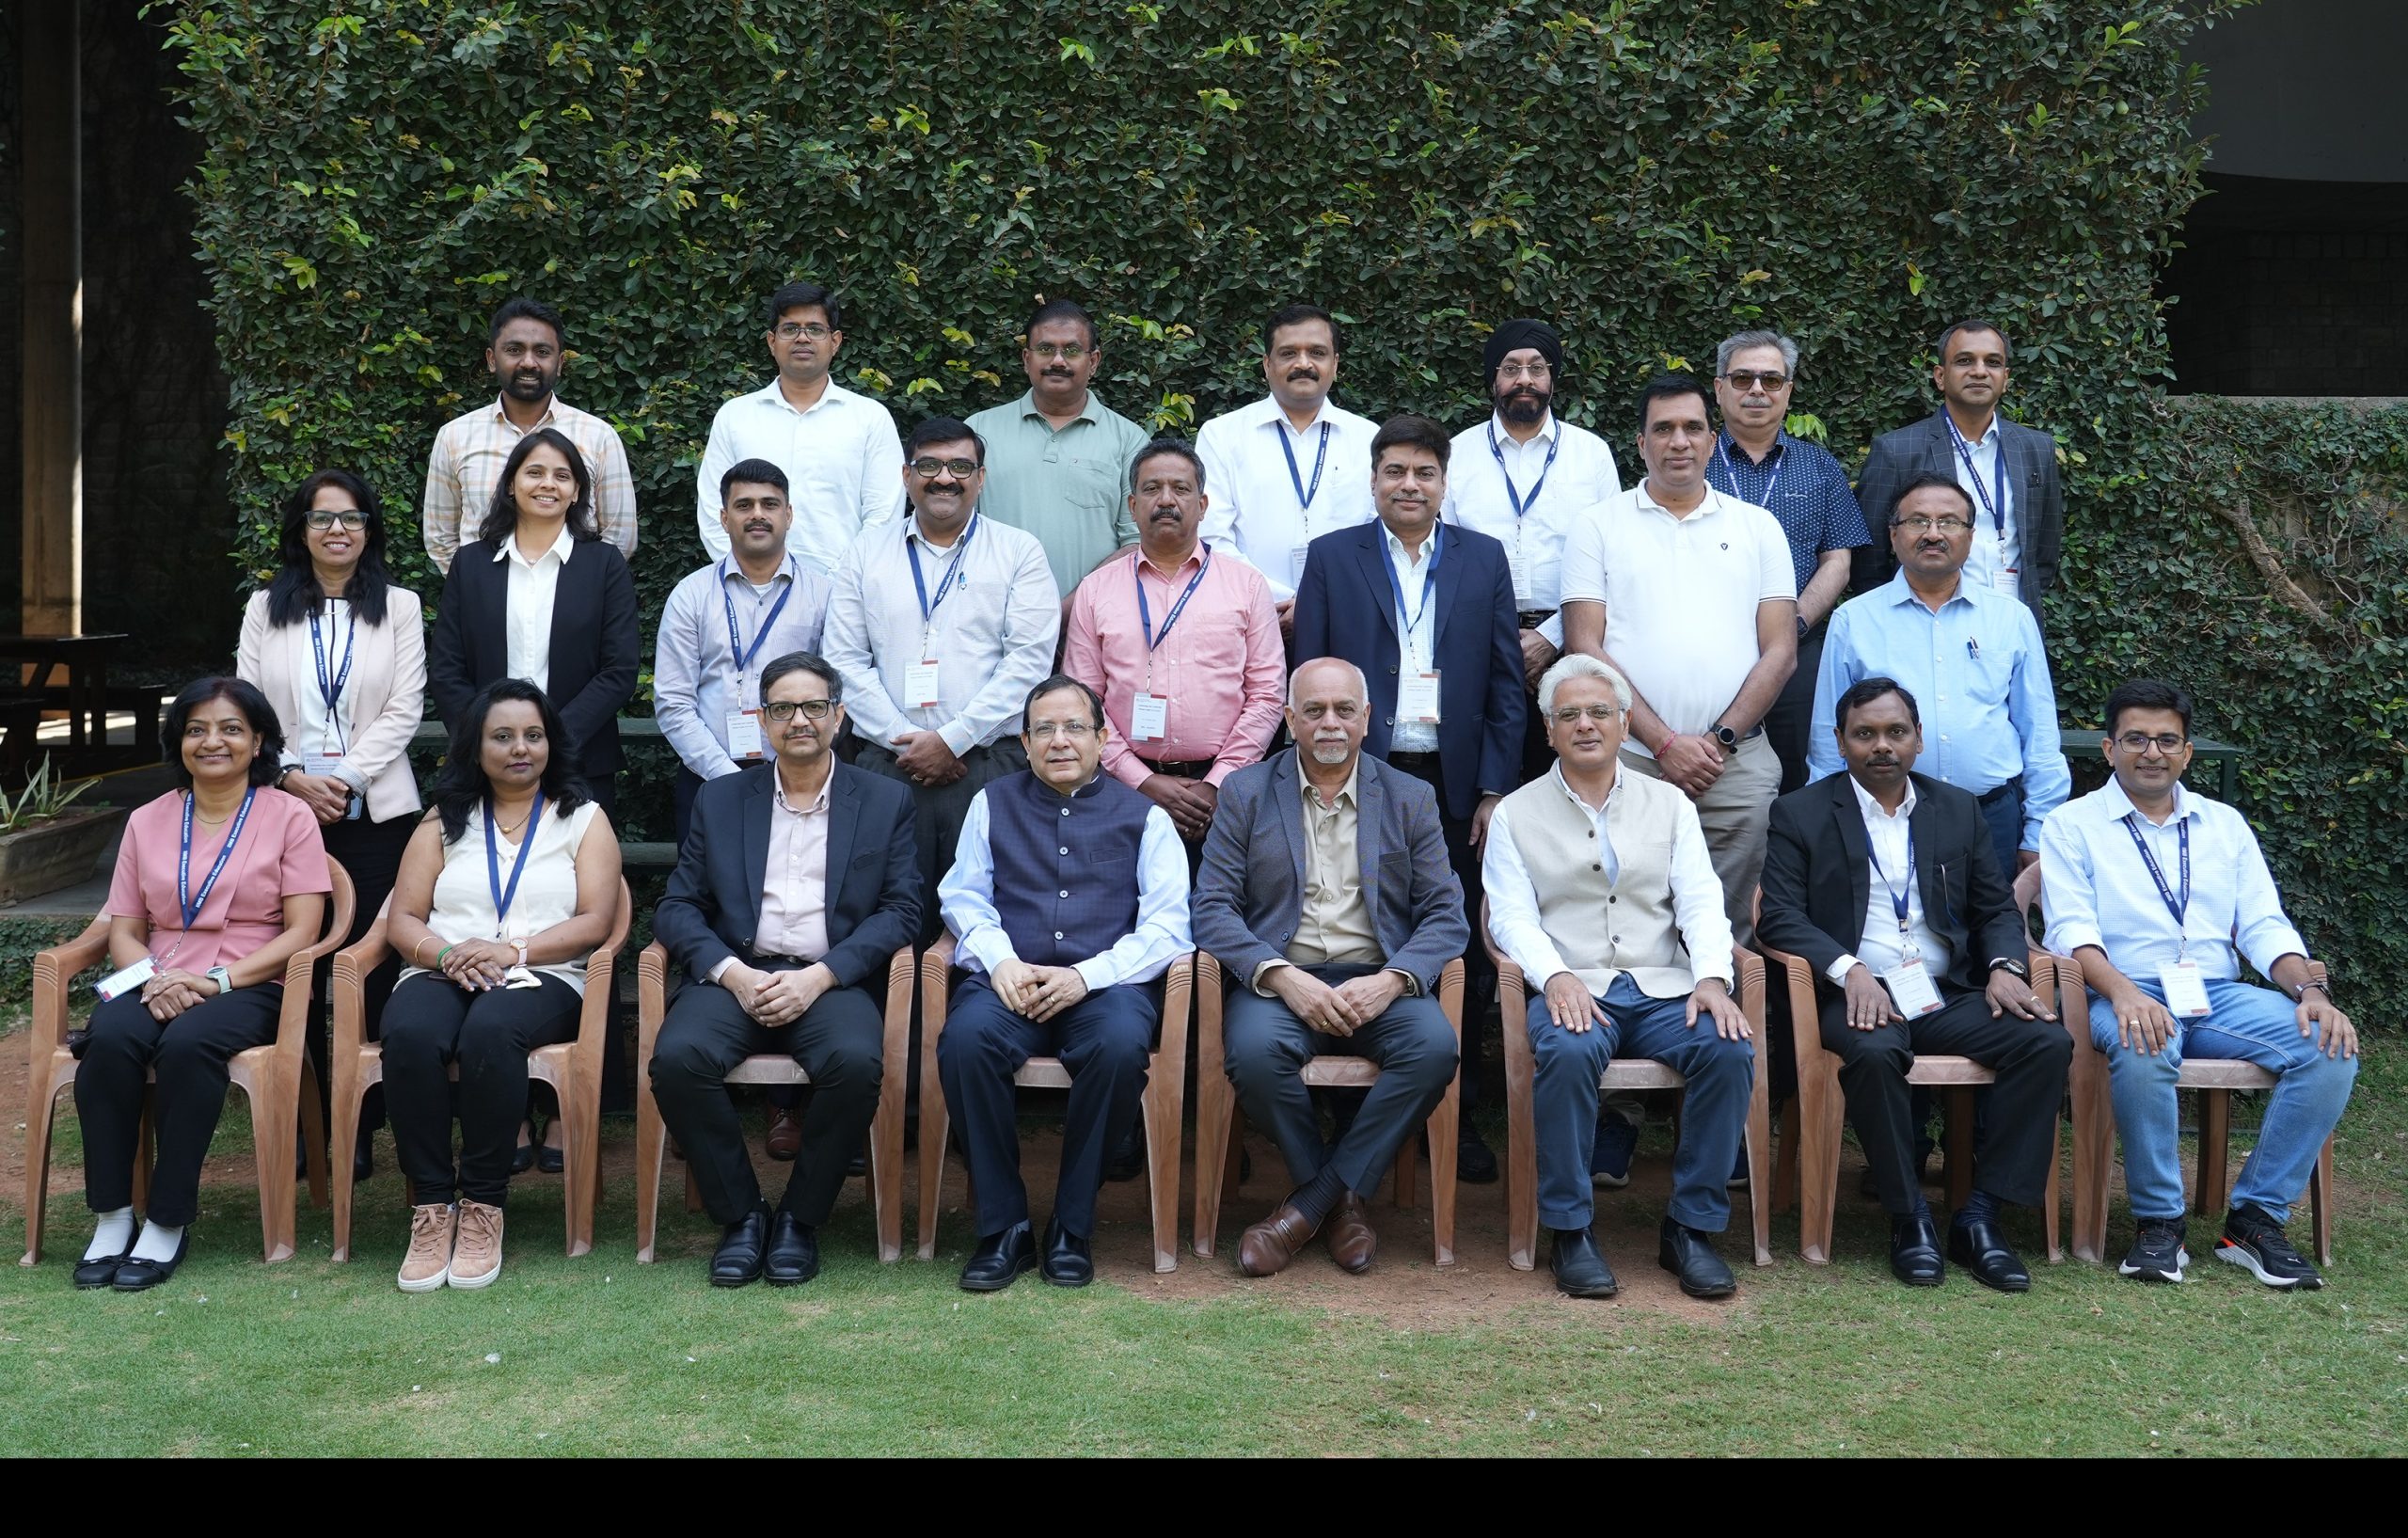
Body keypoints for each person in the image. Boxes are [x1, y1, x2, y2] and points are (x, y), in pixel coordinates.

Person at [2042, 679, 2357, 1290]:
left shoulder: (2225, 825)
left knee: (2328, 1045)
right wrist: (2128, 993)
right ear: (2109, 748)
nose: (2152, 751)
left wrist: (2310, 994)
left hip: (2214, 994)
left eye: (2167, 740)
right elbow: (2070, 929)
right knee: (2143, 1040)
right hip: (2118, 989)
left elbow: (2263, 925)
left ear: (2187, 752)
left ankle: (2257, 1219)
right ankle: (2160, 1223)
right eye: (2136, 738)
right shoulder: (2071, 824)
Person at [1758, 677, 2070, 1292]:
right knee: (1874, 1052)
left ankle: (1981, 1216)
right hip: (1856, 993)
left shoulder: (1957, 809)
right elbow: (1778, 915)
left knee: (2047, 1042)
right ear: (1841, 742)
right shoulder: (1801, 811)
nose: (1882, 745)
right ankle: (1910, 1218)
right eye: (1865, 733)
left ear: (1918, 740)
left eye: (1895, 731)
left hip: (1944, 989)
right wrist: (1848, 970)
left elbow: (1997, 910)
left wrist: (2006, 966)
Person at [1560, 372, 1796, 1186]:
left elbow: (1779, 649)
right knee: (1616, 926)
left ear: (1712, 436)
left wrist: (1718, 741)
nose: (1680, 442)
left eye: (1694, 428)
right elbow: (1586, 647)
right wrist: (1660, 741)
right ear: (1641, 442)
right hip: (1623, 762)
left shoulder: (1758, 525)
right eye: (1663, 429)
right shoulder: (1598, 525)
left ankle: (1715, 1119)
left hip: (1736, 765)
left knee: (1724, 936)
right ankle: (1615, 1123)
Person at [1292, 413, 1522, 1182]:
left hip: (1453, 786)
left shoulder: (1483, 559)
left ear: (1443, 482)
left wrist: (1494, 788)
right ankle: (1349, 1111)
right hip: (1361, 773)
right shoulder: (1333, 557)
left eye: (1424, 473)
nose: (1409, 485)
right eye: (1395, 472)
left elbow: (1502, 681)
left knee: (1456, 948)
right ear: (1374, 479)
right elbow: (1313, 666)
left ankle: (1450, 1114)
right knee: (1361, 922)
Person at [1483, 656, 1755, 1300]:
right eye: (1568, 714)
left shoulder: (1670, 804)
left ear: (1625, 723)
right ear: (1547, 728)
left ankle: (1690, 1228)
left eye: (1600, 711)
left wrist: (1713, 978)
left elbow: (1700, 900)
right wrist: (1552, 976)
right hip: (1572, 984)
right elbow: (1512, 918)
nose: (1585, 724)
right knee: (1569, 1049)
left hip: (1664, 985)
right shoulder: (1514, 814)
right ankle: (1571, 1231)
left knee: (1727, 1046)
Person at [648, 652, 921, 1288]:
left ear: (839, 715)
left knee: (855, 1063)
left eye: (814, 706)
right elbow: (678, 906)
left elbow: (903, 909)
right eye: (782, 708)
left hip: (830, 978)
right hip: (738, 974)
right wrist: (733, 973)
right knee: (677, 1057)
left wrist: (820, 976)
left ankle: (799, 1217)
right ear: (763, 720)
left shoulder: (885, 800)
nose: (799, 719)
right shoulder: (721, 800)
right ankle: (742, 1216)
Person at [1192, 658, 1466, 1277]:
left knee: (1432, 1048)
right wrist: (1282, 977)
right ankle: (1340, 1202)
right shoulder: (1245, 792)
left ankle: (1309, 1205)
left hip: (1380, 981)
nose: (1330, 722)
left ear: (1367, 719)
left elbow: (1448, 917)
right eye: (1313, 710)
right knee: (1257, 1055)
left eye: (1345, 709)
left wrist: (1392, 979)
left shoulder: (1409, 798)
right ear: (1289, 720)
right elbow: (1210, 909)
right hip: (1280, 982)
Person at [71, 678, 331, 1292]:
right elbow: (125, 930)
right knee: (107, 1037)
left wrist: (214, 981)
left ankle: (165, 1220)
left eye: (231, 728)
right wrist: (159, 977)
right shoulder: (149, 820)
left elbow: (304, 930)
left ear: (258, 740)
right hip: (151, 975)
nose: (213, 740)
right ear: (179, 741)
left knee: (189, 1046)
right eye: (197, 728)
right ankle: (111, 1217)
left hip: (248, 980)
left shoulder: (289, 815)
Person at [936, 675, 1191, 1290]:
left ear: (1103, 738)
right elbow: (963, 898)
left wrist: (1087, 975)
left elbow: (1168, 928)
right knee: (965, 1043)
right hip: (1010, 981)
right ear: (1023, 742)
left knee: (1120, 1047)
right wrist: (1001, 961)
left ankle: (1072, 1226)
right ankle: (1005, 1227)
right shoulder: (991, 802)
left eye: (1074, 726)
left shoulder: (1146, 817)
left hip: (1106, 987)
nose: (1059, 740)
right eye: (1043, 728)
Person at [380, 680, 621, 1292]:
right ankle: (433, 1207)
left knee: (491, 1031)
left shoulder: (582, 818)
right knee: (409, 1032)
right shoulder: (443, 820)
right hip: (443, 966)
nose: (520, 748)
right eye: (503, 735)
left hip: (541, 971)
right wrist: (448, 952)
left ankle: (484, 1205)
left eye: (533, 735)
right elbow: (403, 916)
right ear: (476, 745)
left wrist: (511, 950)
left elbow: (596, 919)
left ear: (551, 743)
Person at [237, 468, 426, 1183]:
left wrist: (343, 779)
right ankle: (302, 1120)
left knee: (370, 970)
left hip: (376, 812)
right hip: (286, 812)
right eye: (322, 519)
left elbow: (405, 709)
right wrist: (288, 776)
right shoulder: (266, 609)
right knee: (297, 967)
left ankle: (361, 1122)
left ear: (369, 529)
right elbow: (248, 706)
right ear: (302, 531)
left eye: (350, 518)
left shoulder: (400, 607)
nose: (337, 530)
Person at [822, 416, 1059, 943]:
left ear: (980, 477)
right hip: (885, 765)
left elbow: (1027, 663)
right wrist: (905, 741)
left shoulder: (1019, 552)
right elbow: (843, 659)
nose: (944, 478)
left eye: (959, 466)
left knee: (984, 916)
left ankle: (972, 1016)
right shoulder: (865, 552)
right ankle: (888, 1021)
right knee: (884, 913)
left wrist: (951, 739)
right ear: (907, 476)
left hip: (985, 767)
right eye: (928, 466)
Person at [1810, 474, 2068, 880]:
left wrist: (2037, 831)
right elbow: (1829, 737)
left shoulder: (2010, 617)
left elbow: (2038, 732)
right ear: (1893, 535)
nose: (1933, 534)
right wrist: (1827, 823)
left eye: (1949, 522)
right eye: (1918, 521)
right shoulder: (1853, 621)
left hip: (1992, 819)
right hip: (1885, 818)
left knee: (1995, 939)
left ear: (1970, 536)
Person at [1063, 437, 1284, 864]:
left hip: (1226, 794)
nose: (1166, 500)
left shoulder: (1246, 585)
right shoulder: (1096, 590)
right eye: (1152, 489)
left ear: (1202, 505)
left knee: (1221, 920)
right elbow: (1081, 701)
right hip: (1120, 790)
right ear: (1131, 505)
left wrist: (1218, 783)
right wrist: (1142, 780)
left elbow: (1269, 693)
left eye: (1180, 489)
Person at [426, 427, 642, 822]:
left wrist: (553, 739)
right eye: (534, 472)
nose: (548, 484)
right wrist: (488, 739)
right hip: (483, 767)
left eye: (562, 476)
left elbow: (619, 670)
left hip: (580, 762)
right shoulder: (471, 563)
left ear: (577, 492)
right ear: (511, 484)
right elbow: (446, 668)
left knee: (582, 880)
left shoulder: (604, 564)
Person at [1440, 318, 1621, 776]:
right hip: (1477, 642)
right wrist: (1500, 638)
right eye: (1511, 368)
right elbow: (1445, 557)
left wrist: (1549, 638)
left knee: (1569, 773)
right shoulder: (1455, 455)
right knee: (1484, 777)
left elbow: (1612, 559)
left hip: (1572, 643)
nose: (1524, 379)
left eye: (1537, 368)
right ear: (1493, 379)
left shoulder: (1591, 454)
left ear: (1552, 380)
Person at [1703, 330, 1870, 794]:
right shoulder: (1689, 464)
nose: (1757, 389)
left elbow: (1838, 558)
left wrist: (1790, 624)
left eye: (1771, 380)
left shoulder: (1819, 466)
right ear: (1719, 389)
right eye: (1743, 378)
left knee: (1802, 775)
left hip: (1799, 653)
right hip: (1707, 649)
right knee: (1710, 768)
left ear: (1788, 392)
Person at [655, 458, 834, 846]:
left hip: (804, 778)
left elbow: (836, 692)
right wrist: (727, 777)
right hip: (709, 777)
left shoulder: (824, 594)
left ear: (788, 515)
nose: (758, 515)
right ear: (723, 517)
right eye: (744, 505)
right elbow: (673, 702)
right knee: (712, 896)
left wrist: (792, 771)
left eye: (770, 505)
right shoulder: (691, 594)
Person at [1853, 319, 2064, 624]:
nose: (1979, 371)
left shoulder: (2037, 450)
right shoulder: (1897, 451)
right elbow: (1867, 564)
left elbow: (2044, 553)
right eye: (1964, 361)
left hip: (2014, 623)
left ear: (2005, 378)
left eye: (1992, 362)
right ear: (1940, 376)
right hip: (1924, 624)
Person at [694, 279, 907, 570]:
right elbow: (712, 510)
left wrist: (841, 582)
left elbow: (883, 516)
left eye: (815, 329)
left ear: (835, 342)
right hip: (751, 593)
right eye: (790, 329)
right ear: (772, 341)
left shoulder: (870, 418)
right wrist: (751, 575)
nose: (802, 338)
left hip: (844, 594)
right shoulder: (735, 416)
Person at [1195, 304, 1379, 631]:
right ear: (1267, 364)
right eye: (1288, 353)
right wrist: (1272, 600)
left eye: (1317, 353)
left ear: (1335, 364)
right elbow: (1212, 535)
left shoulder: (1368, 438)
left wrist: (1321, 601)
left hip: (1347, 615)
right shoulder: (1222, 435)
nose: (1303, 364)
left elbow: (1378, 533)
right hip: (1245, 618)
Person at [420, 296, 637, 572]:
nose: (528, 362)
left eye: (542, 352)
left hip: (573, 604)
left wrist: (582, 588)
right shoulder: (455, 437)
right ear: (492, 359)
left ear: (559, 363)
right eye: (514, 350)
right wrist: (476, 588)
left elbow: (621, 536)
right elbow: (440, 537)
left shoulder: (598, 436)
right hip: (484, 605)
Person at [965, 298, 1149, 598]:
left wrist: (1068, 614)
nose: (1058, 361)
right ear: (1026, 359)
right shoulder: (979, 431)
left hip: (1091, 629)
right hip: (991, 622)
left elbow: (1137, 544)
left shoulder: (1130, 440)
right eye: (1045, 349)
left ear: (1094, 361)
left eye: (1072, 350)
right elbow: (956, 531)